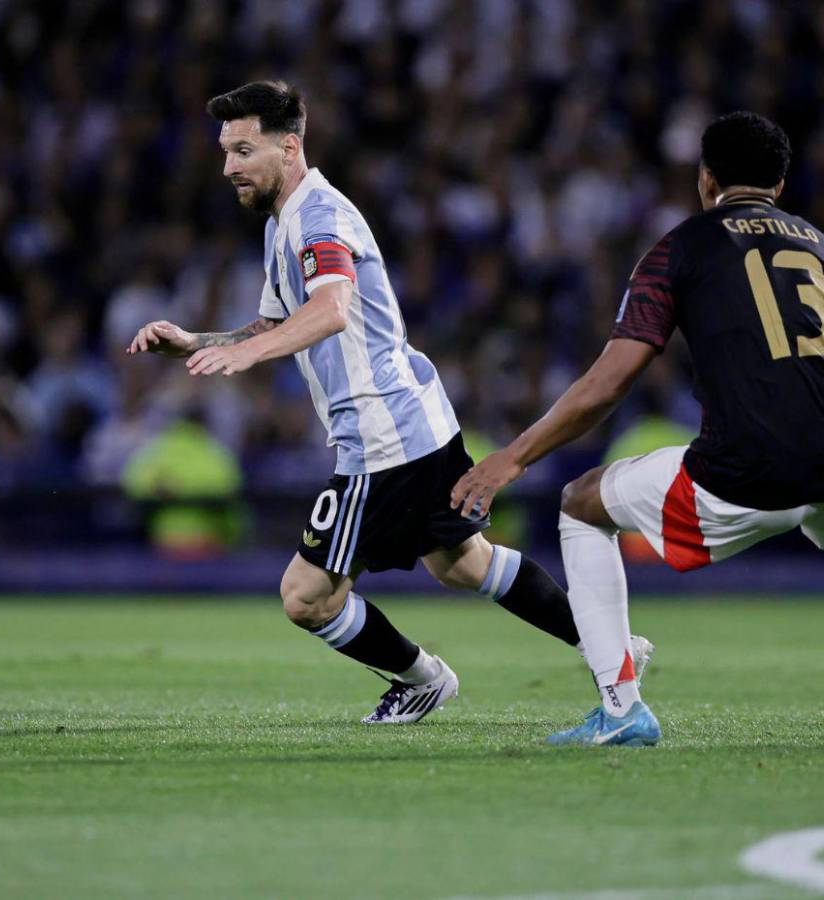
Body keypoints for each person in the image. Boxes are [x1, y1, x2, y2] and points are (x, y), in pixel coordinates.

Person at [452, 111, 824, 747]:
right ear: (782, 186)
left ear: (705, 179)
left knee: (580, 505)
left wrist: (513, 458)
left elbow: (608, 384)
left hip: (743, 475)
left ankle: (622, 706)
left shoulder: (678, 249)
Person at [128, 81, 650, 723]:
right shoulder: (283, 225)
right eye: (225, 151)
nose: (228, 166)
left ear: (289, 147)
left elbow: (330, 310)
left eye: (242, 150)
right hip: (417, 421)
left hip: (381, 439)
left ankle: (424, 679)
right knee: (462, 562)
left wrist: (247, 357)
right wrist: (197, 343)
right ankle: (611, 648)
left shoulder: (319, 218)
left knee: (306, 597)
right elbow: (272, 326)